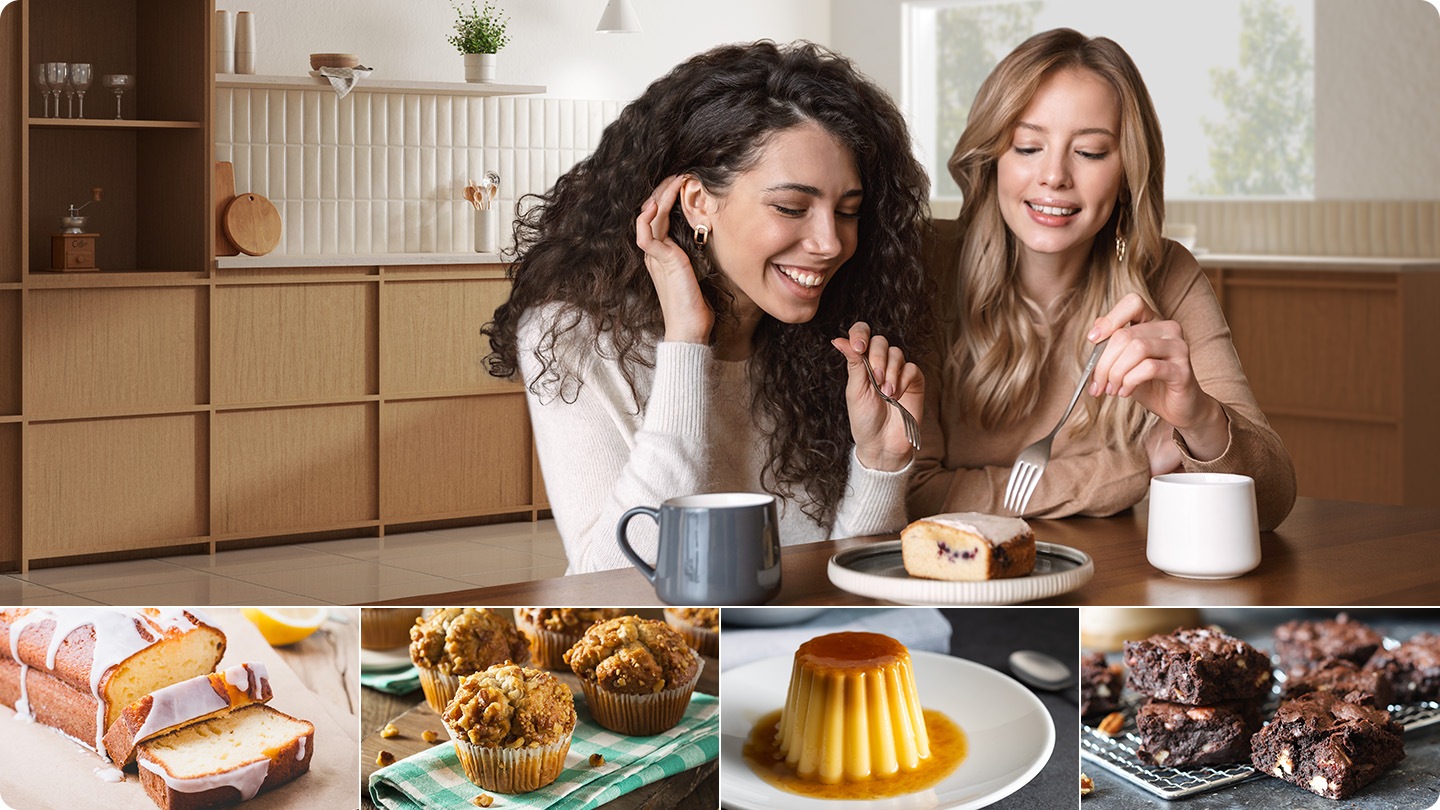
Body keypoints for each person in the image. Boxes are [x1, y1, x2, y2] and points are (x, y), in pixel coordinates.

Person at [483, 41, 932, 573]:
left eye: (849, 211)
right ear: (698, 202)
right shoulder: (572, 335)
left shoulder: (835, 341)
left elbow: (838, 585)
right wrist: (686, 345)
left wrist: (879, 465)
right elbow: (614, 577)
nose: (830, 242)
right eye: (792, 207)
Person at [910, 28, 1296, 530]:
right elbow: (916, 495)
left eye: (1089, 152)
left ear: (1127, 171)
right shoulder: (927, 264)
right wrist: (1131, 467)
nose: (1054, 176)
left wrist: (1199, 419)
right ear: (992, 159)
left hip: (1108, 583)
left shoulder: (1167, 274)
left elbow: (1270, 504)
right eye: (1027, 146)